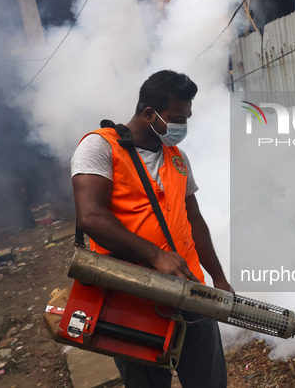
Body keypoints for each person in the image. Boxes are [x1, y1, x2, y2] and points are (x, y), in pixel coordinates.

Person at [70, 70, 230, 388]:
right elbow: (91, 217)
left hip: (191, 290)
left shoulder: (177, 158)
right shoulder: (100, 148)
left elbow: (193, 219)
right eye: (175, 118)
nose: (182, 126)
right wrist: (156, 256)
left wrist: (219, 277)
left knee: (209, 381)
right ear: (148, 114)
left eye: (186, 118)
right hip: (134, 298)